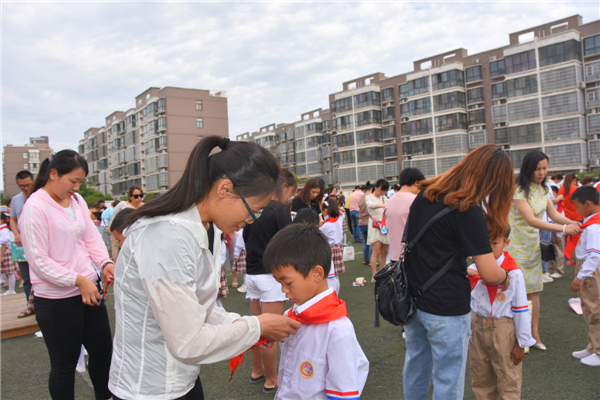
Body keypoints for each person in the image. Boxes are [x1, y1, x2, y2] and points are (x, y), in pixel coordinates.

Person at [108, 137, 301, 399]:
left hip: (181, 379)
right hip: (149, 388)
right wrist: (256, 327)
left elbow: (202, 311)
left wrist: (253, 326)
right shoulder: (167, 235)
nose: (250, 220)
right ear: (224, 189)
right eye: (253, 211)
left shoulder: (208, 228)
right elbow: (187, 342)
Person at [403, 144, 518, 400]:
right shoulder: (468, 211)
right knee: (448, 379)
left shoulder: (426, 195)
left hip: (413, 298)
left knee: (416, 368)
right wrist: (505, 276)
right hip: (447, 306)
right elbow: (489, 272)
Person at [19, 150, 115, 400]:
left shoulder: (76, 201)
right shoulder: (35, 207)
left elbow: (90, 237)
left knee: (103, 352)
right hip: (56, 299)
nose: (77, 186)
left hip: (88, 289)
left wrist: (104, 262)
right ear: (53, 174)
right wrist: (78, 280)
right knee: (65, 364)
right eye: (73, 181)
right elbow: (39, 261)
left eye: (80, 181)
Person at [263, 223, 369, 400]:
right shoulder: (291, 315)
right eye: (279, 283)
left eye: (288, 283)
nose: (283, 290)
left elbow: (343, 393)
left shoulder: (337, 330)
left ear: (317, 274)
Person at [508, 151, 580, 351]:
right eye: (538, 168)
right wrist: (565, 229)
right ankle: (513, 335)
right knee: (513, 291)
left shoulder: (543, 188)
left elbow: (553, 214)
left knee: (534, 291)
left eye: (545, 168)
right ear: (528, 168)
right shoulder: (518, 190)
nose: (542, 172)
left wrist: (575, 223)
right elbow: (531, 219)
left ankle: (534, 334)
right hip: (514, 246)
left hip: (532, 246)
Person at [242, 168, 298, 393]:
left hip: (252, 275)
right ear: (283, 186)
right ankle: (272, 380)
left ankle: (258, 371)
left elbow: (245, 237)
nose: (289, 198)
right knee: (269, 331)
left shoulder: (254, 207)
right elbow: (289, 243)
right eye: (290, 192)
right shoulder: (279, 209)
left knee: (256, 326)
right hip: (270, 277)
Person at [467, 226, 536, 399]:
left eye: (495, 243)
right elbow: (470, 301)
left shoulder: (513, 273)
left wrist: (522, 344)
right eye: (484, 242)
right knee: (480, 376)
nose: (488, 248)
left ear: (506, 243)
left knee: (508, 378)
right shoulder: (473, 268)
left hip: (503, 327)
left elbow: (521, 308)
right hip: (477, 324)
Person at [566, 186, 600, 367]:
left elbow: (594, 255)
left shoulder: (593, 226)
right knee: (588, 308)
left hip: (589, 269)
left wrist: (581, 276)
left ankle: (599, 350)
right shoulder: (590, 223)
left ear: (587, 204)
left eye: (578, 207)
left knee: (595, 310)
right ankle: (592, 346)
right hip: (586, 267)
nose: (577, 211)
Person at [8, 170, 35, 317]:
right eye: (22, 186)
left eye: (28, 185)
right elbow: (12, 219)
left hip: (38, 242)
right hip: (21, 243)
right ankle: (30, 306)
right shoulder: (16, 199)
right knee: (26, 277)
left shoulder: (40, 195)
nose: (25, 188)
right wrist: (16, 234)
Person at [385, 168, 424, 263]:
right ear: (416, 182)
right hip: (414, 255)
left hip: (395, 255)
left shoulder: (390, 201)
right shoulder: (416, 200)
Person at [366, 179, 390, 281]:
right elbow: (370, 205)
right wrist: (384, 205)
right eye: (381, 189)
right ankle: (374, 275)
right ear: (376, 187)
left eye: (384, 190)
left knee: (384, 252)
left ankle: (382, 273)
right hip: (375, 226)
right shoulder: (369, 197)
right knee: (375, 252)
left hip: (384, 226)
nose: (382, 192)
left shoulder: (384, 198)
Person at [319, 199, 344, 292]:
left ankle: (333, 294)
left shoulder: (327, 225)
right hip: (337, 247)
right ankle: (336, 293)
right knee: (335, 275)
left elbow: (321, 236)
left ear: (325, 211)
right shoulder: (338, 221)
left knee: (331, 275)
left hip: (330, 249)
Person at [547, 186, 566, 278]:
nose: (550, 196)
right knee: (548, 250)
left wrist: (559, 234)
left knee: (559, 251)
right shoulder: (548, 203)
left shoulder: (559, 205)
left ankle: (559, 270)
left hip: (557, 229)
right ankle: (549, 269)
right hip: (548, 228)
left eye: (552, 194)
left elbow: (561, 221)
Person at [0, 213, 18, 296]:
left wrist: (1, 256)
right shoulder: (4, 229)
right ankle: (11, 289)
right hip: (6, 250)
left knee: (10, 272)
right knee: (8, 271)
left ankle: (11, 290)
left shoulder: (3, 230)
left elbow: (3, 244)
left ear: (1, 220)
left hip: (6, 251)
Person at [358, 184, 373, 265]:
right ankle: (372, 260)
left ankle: (366, 259)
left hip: (362, 221)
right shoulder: (371, 197)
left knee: (365, 242)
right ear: (371, 189)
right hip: (369, 222)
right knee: (371, 242)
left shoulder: (361, 197)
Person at [233, 228, 247, 292]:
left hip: (244, 252)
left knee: (245, 271)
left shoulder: (240, 233)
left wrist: (236, 255)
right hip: (250, 251)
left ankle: (246, 285)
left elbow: (239, 245)